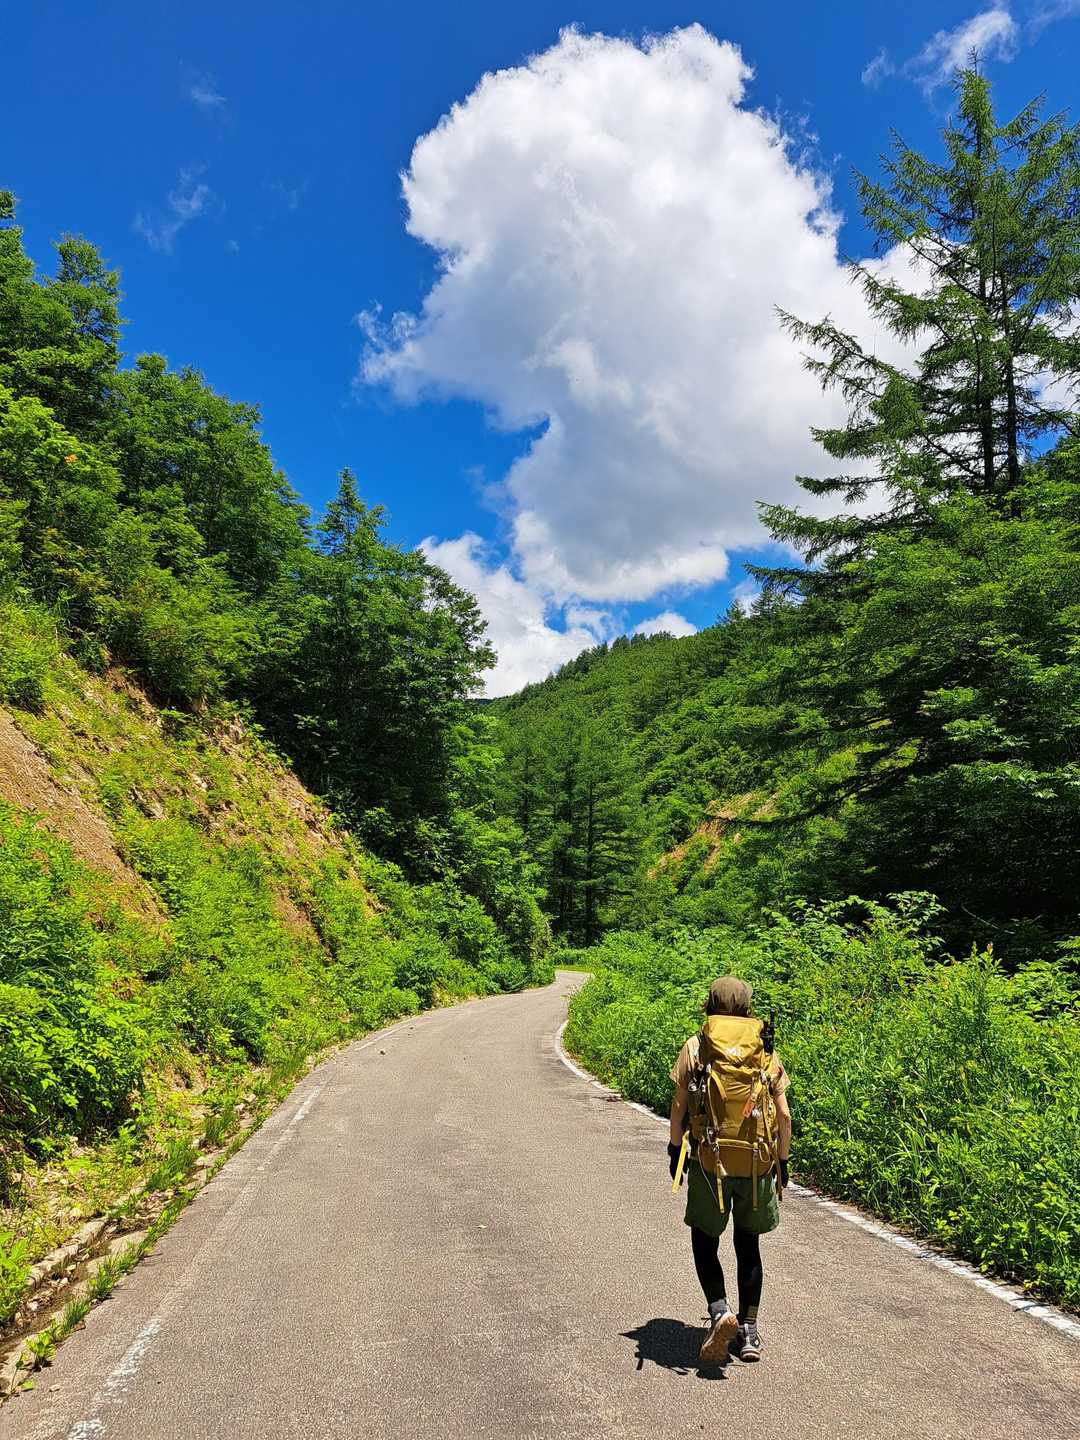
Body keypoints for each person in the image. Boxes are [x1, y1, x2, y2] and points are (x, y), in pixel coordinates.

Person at [668, 976, 791, 1365]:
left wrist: (675, 1149)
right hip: (756, 1164)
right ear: (747, 1006)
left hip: (710, 1161)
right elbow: (784, 1116)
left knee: (704, 1240)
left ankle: (720, 1311)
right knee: (748, 1246)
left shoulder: (697, 1046)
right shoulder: (764, 1050)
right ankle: (749, 1331)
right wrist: (782, 1161)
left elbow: (679, 1105)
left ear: (709, 1003)